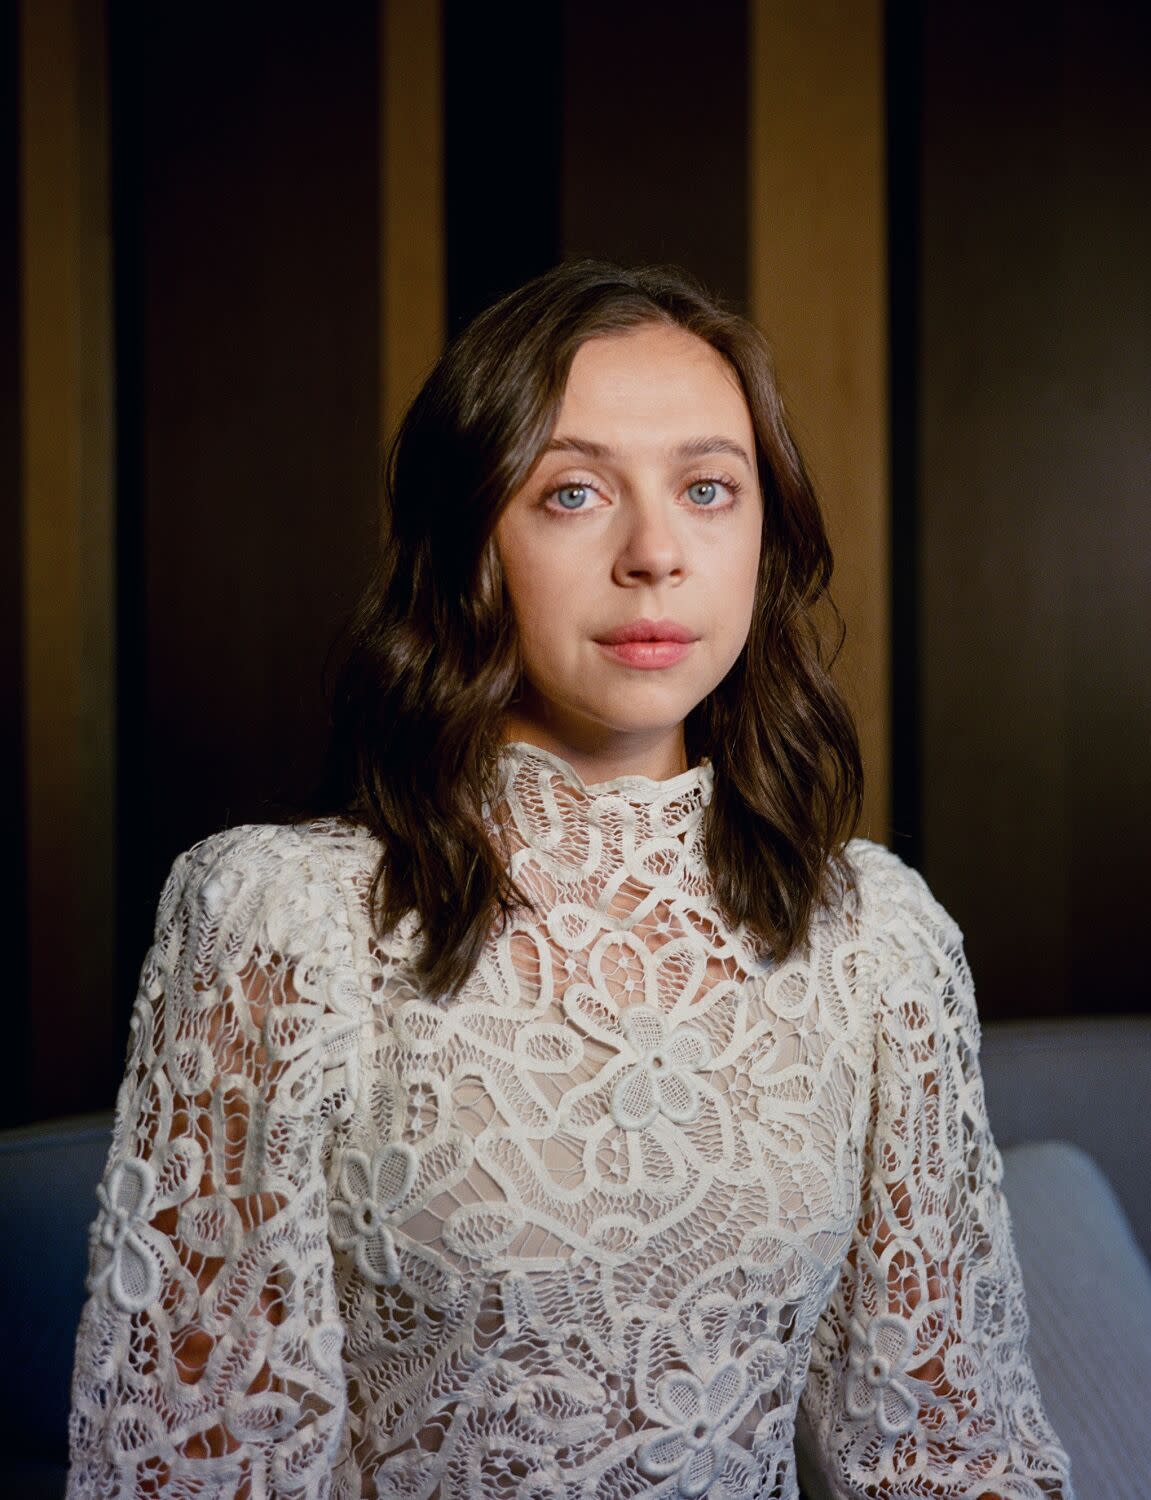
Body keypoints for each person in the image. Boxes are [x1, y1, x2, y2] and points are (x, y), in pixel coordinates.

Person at [67, 261, 1074, 1499]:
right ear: (468, 540)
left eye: (707, 488)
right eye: (574, 492)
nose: (654, 553)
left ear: (765, 535)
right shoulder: (281, 919)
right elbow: (193, 1466)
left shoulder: (877, 940)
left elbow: (948, 1452)